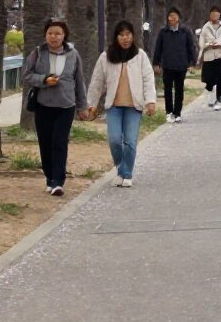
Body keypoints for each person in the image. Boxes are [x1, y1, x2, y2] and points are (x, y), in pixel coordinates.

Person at [22, 19, 88, 196]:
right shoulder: (38, 53)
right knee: (45, 143)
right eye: (50, 33)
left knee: (60, 142)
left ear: (64, 35)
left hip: (66, 105)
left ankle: (59, 181)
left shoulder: (73, 54)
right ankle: (50, 177)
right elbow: (27, 75)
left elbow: (79, 81)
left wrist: (83, 106)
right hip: (44, 105)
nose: (54, 37)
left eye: (57, 33)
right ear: (45, 35)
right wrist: (43, 80)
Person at [86, 22, 156, 187]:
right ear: (116, 37)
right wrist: (92, 104)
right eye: (122, 35)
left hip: (134, 106)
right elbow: (97, 81)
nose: (125, 38)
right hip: (114, 106)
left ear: (133, 36)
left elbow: (148, 79)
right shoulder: (106, 56)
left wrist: (150, 101)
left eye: (128, 34)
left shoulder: (140, 56)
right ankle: (120, 167)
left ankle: (127, 174)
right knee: (115, 140)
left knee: (130, 141)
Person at [153, 7, 197, 123]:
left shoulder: (185, 31)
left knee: (179, 89)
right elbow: (158, 48)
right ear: (168, 18)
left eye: (174, 16)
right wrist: (156, 63)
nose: (172, 18)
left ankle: (177, 113)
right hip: (167, 64)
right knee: (167, 89)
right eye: (170, 16)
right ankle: (169, 112)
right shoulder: (163, 32)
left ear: (178, 18)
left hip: (181, 65)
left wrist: (192, 62)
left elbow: (190, 47)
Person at [199, 6, 221, 110]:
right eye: (212, 13)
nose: (214, 15)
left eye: (216, 13)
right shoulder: (206, 27)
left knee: (220, 79)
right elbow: (201, 42)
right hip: (209, 56)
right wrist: (207, 45)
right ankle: (210, 96)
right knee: (209, 79)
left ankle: (218, 100)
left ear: (220, 14)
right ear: (209, 15)